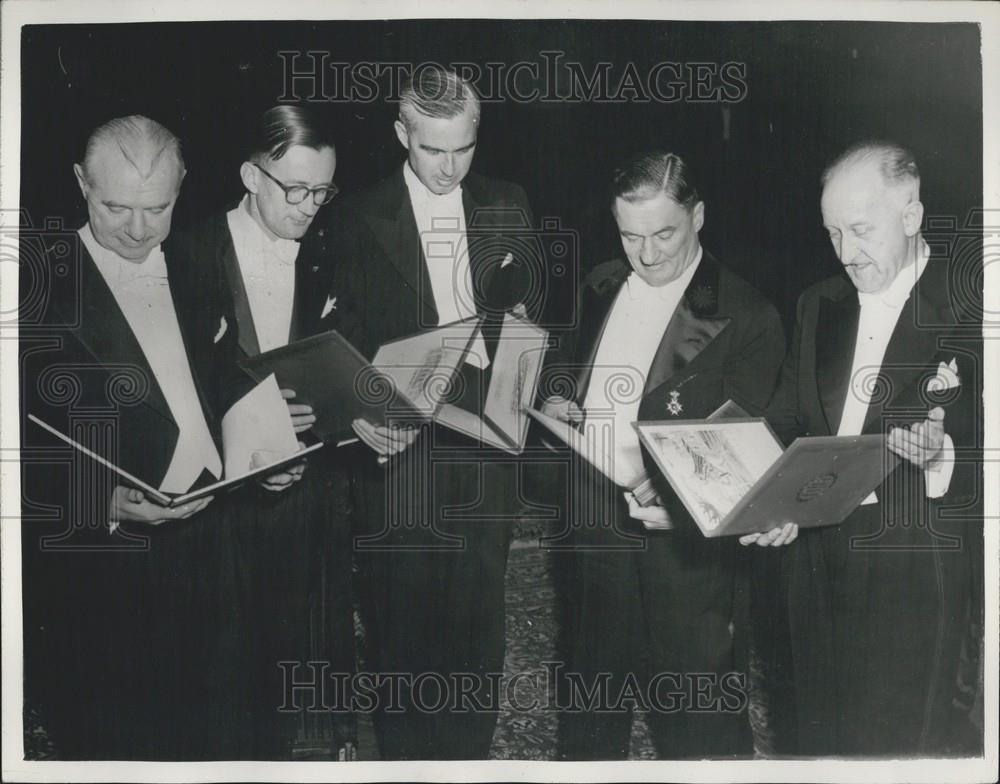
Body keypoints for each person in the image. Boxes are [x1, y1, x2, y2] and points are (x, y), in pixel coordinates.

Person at [19, 115, 298, 759]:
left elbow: (222, 379)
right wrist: (102, 501)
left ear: (181, 190)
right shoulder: (32, 291)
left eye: (159, 208)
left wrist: (266, 449)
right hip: (104, 572)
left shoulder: (196, 265)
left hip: (215, 550)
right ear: (80, 184)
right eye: (117, 207)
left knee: (226, 742)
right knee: (119, 749)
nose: (140, 230)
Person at [538, 150, 786, 759]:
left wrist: (681, 494)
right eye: (630, 235)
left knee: (698, 715)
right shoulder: (598, 283)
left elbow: (753, 447)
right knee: (591, 704)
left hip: (687, 551)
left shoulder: (748, 315)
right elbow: (566, 372)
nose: (647, 255)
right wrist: (558, 395)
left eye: (664, 233)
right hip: (594, 526)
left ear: (697, 216)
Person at [331, 66, 540, 759]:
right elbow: (345, 341)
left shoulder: (509, 204)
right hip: (401, 453)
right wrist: (362, 410)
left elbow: (533, 320)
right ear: (401, 136)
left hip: (486, 450)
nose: (449, 167)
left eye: (462, 148)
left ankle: (468, 762)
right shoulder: (357, 216)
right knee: (400, 630)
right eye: (431, 150)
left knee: (478, 627)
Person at [757, 141, 983, 755]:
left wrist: (941, 457)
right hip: (813, 560)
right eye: (833, 234)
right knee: (819, 741)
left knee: (901, 747)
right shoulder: (817, 304)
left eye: (861, 230)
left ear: (911, 217)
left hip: (914, 562)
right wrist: (762, 499)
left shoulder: (973, 309)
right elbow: (784, 419)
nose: (846, 254)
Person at [168, 105, 357, 759]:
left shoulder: (330, 254)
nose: (310, 206)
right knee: (223, 695)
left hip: (310, 504)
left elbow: (344, 364)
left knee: (300, 689)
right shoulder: (189, 253)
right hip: (219, 511)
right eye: (294, 189)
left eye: (322, 191)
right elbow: (174, 382)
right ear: (252, 174)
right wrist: (248, 433)